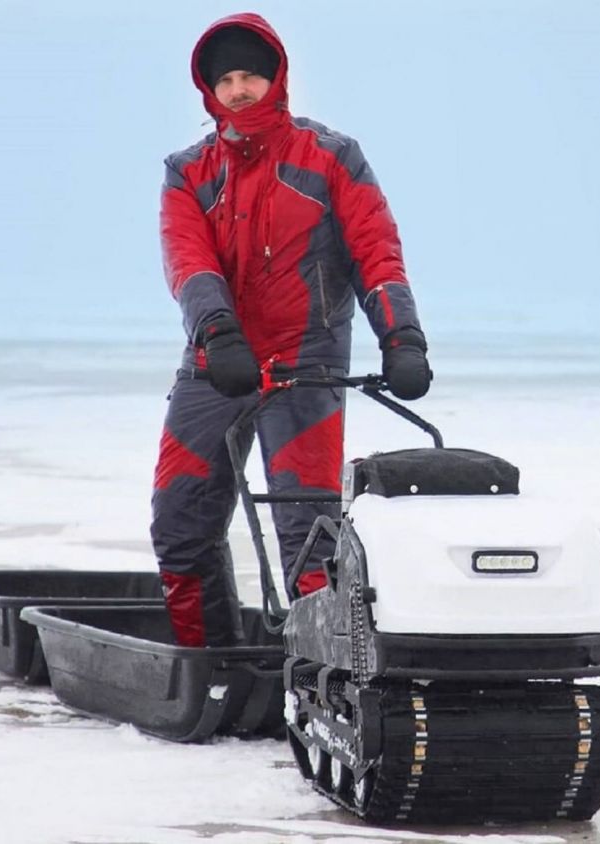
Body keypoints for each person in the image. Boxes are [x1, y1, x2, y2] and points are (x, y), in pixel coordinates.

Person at [151, 13, 432, 647]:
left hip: (306, 364)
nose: (238, 90)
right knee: (179, 526)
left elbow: (375, 251)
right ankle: (209, 669)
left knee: (308, 540)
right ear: (209, 89)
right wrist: (218, 332)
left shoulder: (331, 156)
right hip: (217, 362)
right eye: (225, 79)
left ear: (276, 77)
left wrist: (402, 338)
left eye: (249, 75)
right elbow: (188, 261)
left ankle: (317, 679)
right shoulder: (188, 171)